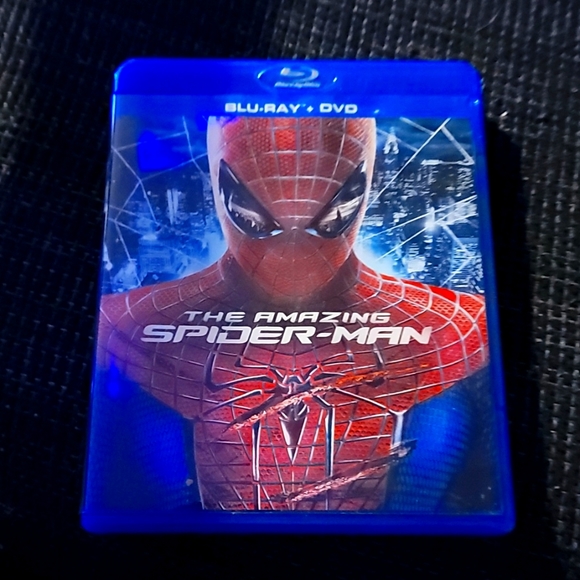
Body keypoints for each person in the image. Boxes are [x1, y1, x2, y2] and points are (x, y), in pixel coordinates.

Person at [97, 116, 488, 511]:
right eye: (256, 220)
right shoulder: (125, 324)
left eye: (328, 219)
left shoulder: (457, 326)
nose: (293, 255)